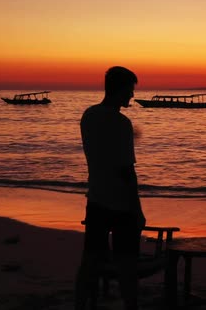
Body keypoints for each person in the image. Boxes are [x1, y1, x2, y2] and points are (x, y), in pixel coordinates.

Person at [75, 66, 146, 310]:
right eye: (130, 90)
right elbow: (126, 170)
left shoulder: (88, 115)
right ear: (119, 89)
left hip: (96, 199)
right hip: (120, 204)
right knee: (127, 264)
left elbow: (100, 155)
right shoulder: (121, 122)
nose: (132, 96)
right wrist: (137, 209)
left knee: (90, 260)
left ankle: (80, 304)